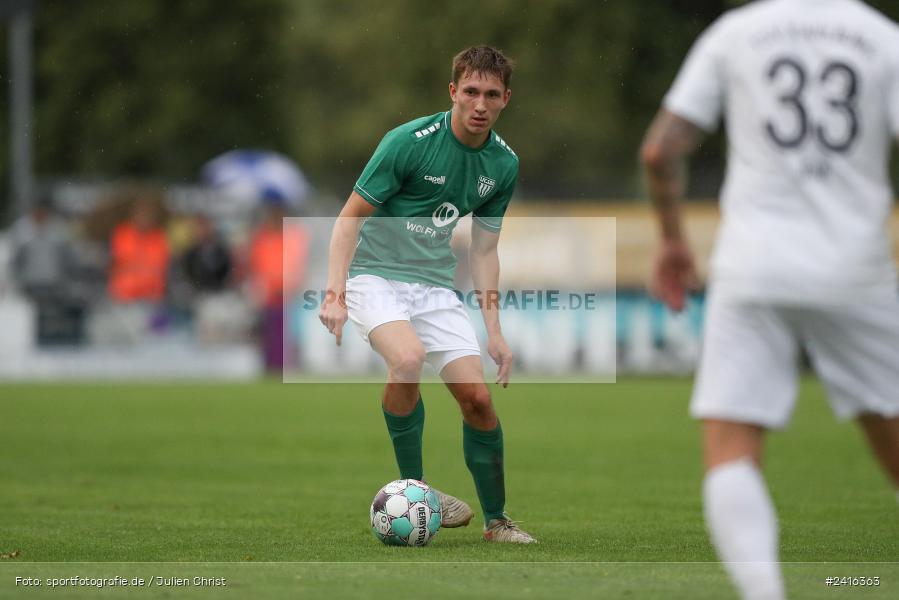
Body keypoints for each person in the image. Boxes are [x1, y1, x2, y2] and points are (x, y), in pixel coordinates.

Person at [641, 1, 899, 598]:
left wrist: (674, 241)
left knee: (731, 448)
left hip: (753, 264)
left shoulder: (737, 32)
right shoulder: (882, 37)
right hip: (855, 267)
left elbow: (660, 150)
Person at [319, 46, 535, 543]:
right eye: (472, 92)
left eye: (492, 95)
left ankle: (497, 521)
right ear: (453, 92)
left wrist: (495, 334)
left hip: (434, 288)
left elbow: (484, 250)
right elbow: (350, 216)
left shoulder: (502, 164)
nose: (480, 104)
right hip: (374, 276)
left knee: (478, 400)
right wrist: (335, 293)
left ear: (506, 99)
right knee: (409, 359)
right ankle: (415, 489)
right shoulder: (408, 142)